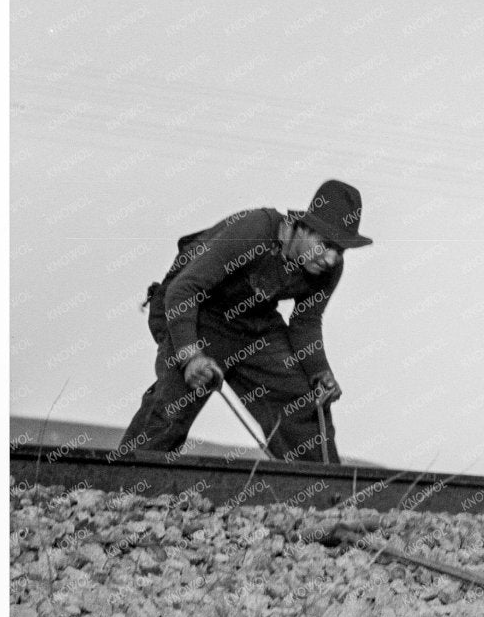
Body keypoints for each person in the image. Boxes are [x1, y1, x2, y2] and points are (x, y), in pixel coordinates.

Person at [120, 180, 371, 463]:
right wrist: (190, 356)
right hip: (195, 311)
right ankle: (123, 482)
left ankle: (323, 494)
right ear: (302, 227)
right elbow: (183, 290)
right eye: (325, 245)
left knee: (302, 402)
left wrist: (319, 372)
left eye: (341, 250)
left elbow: (306, 322)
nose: (331, 258)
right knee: (175, 403)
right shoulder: (254, 230)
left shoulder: (330, 267)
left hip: (255, 323)